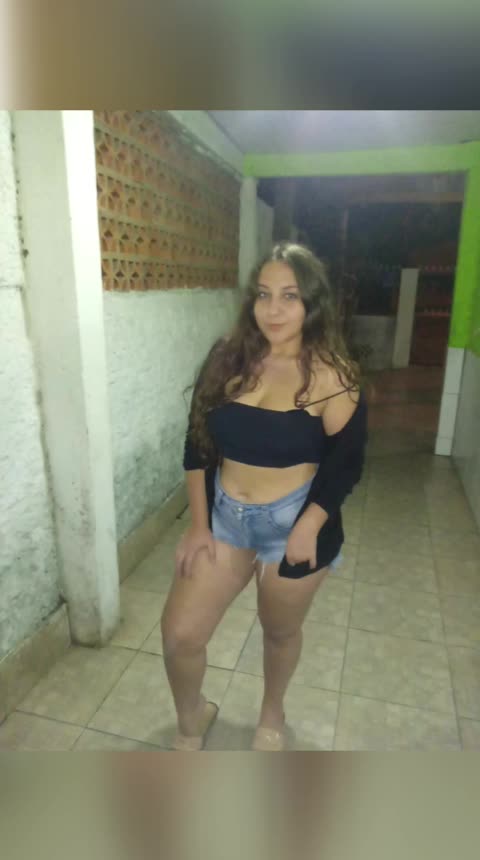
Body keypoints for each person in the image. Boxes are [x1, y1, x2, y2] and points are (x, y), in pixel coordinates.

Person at [161, 242, 368, 751]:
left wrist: (310, 524)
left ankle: (272, 712)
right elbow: (197, 443)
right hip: (225, 518)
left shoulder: (334, 374)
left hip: (293, 522)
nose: (273, 310)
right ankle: (192, 717)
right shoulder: (226, 358)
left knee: (278, 631)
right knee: (180, 635)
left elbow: (346, 463)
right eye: (263, 295)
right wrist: (198, 525)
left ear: (312, 303)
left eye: (290, 296)